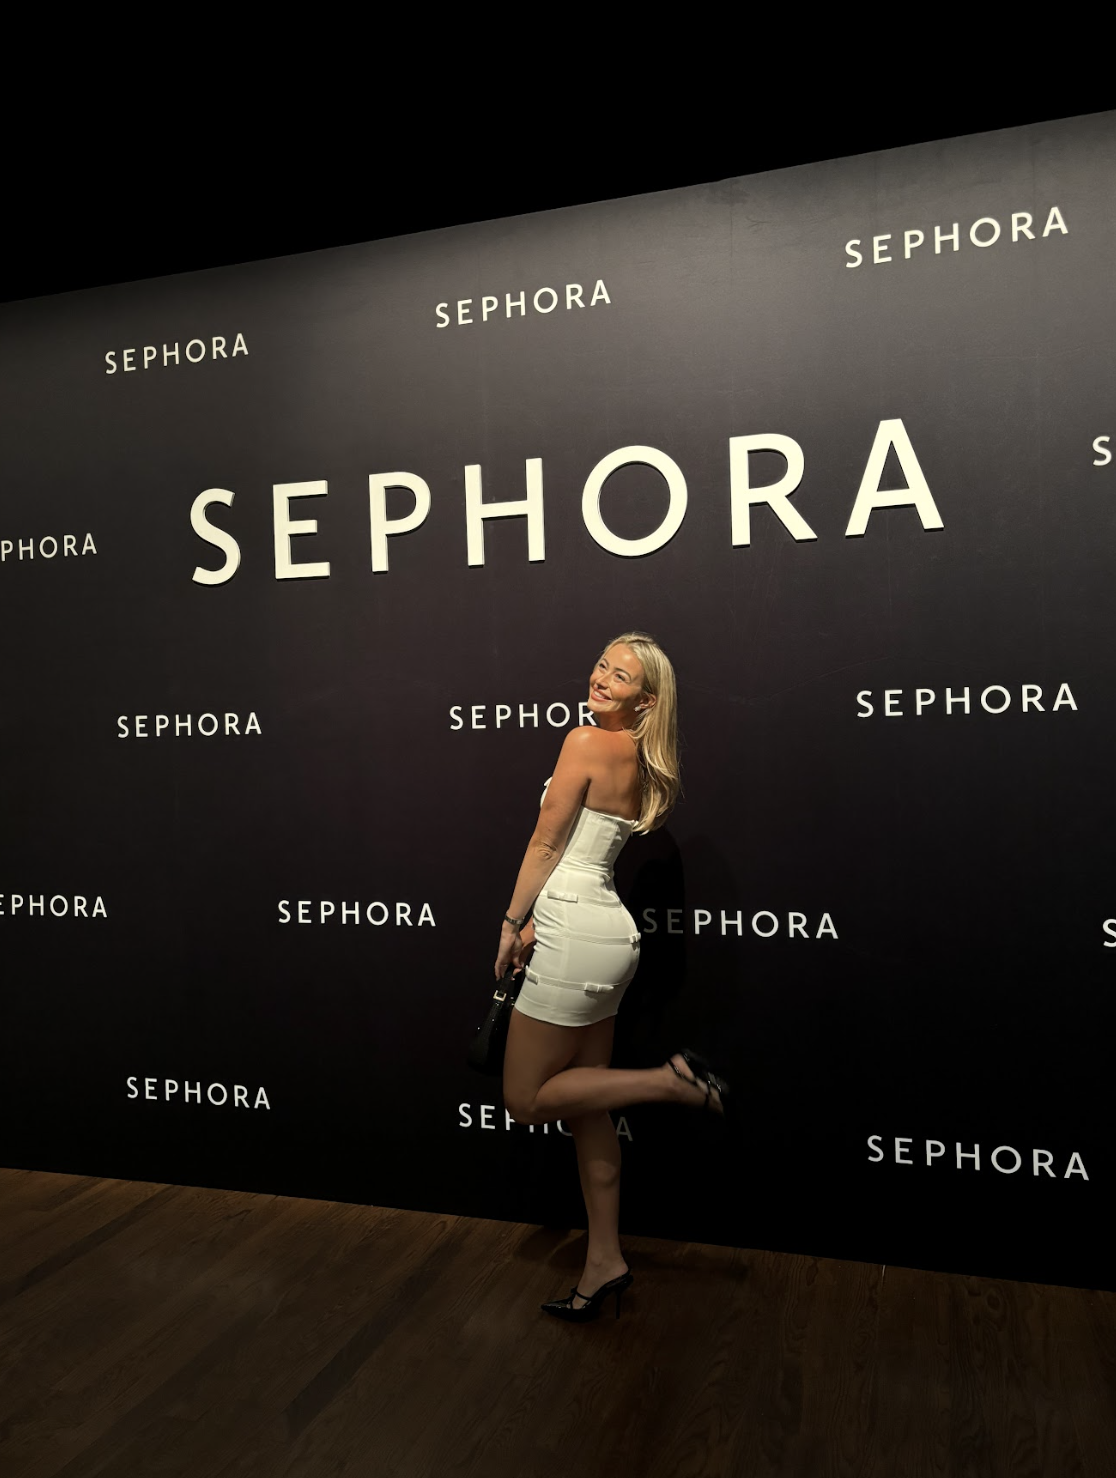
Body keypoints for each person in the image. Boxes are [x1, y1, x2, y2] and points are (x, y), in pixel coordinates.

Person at [496, 631, 730, 1323]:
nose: (601, 679)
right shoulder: (640, 759)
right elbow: (581, 851)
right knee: (588, 1111)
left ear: (645, 699)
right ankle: (605, 1260)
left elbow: (546, 842)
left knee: (526, 1099)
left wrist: (512, 923)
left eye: (619, 676)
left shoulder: (584, 742)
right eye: (601, 664)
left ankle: (670, 1082)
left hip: (571, 932)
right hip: (609, 935)